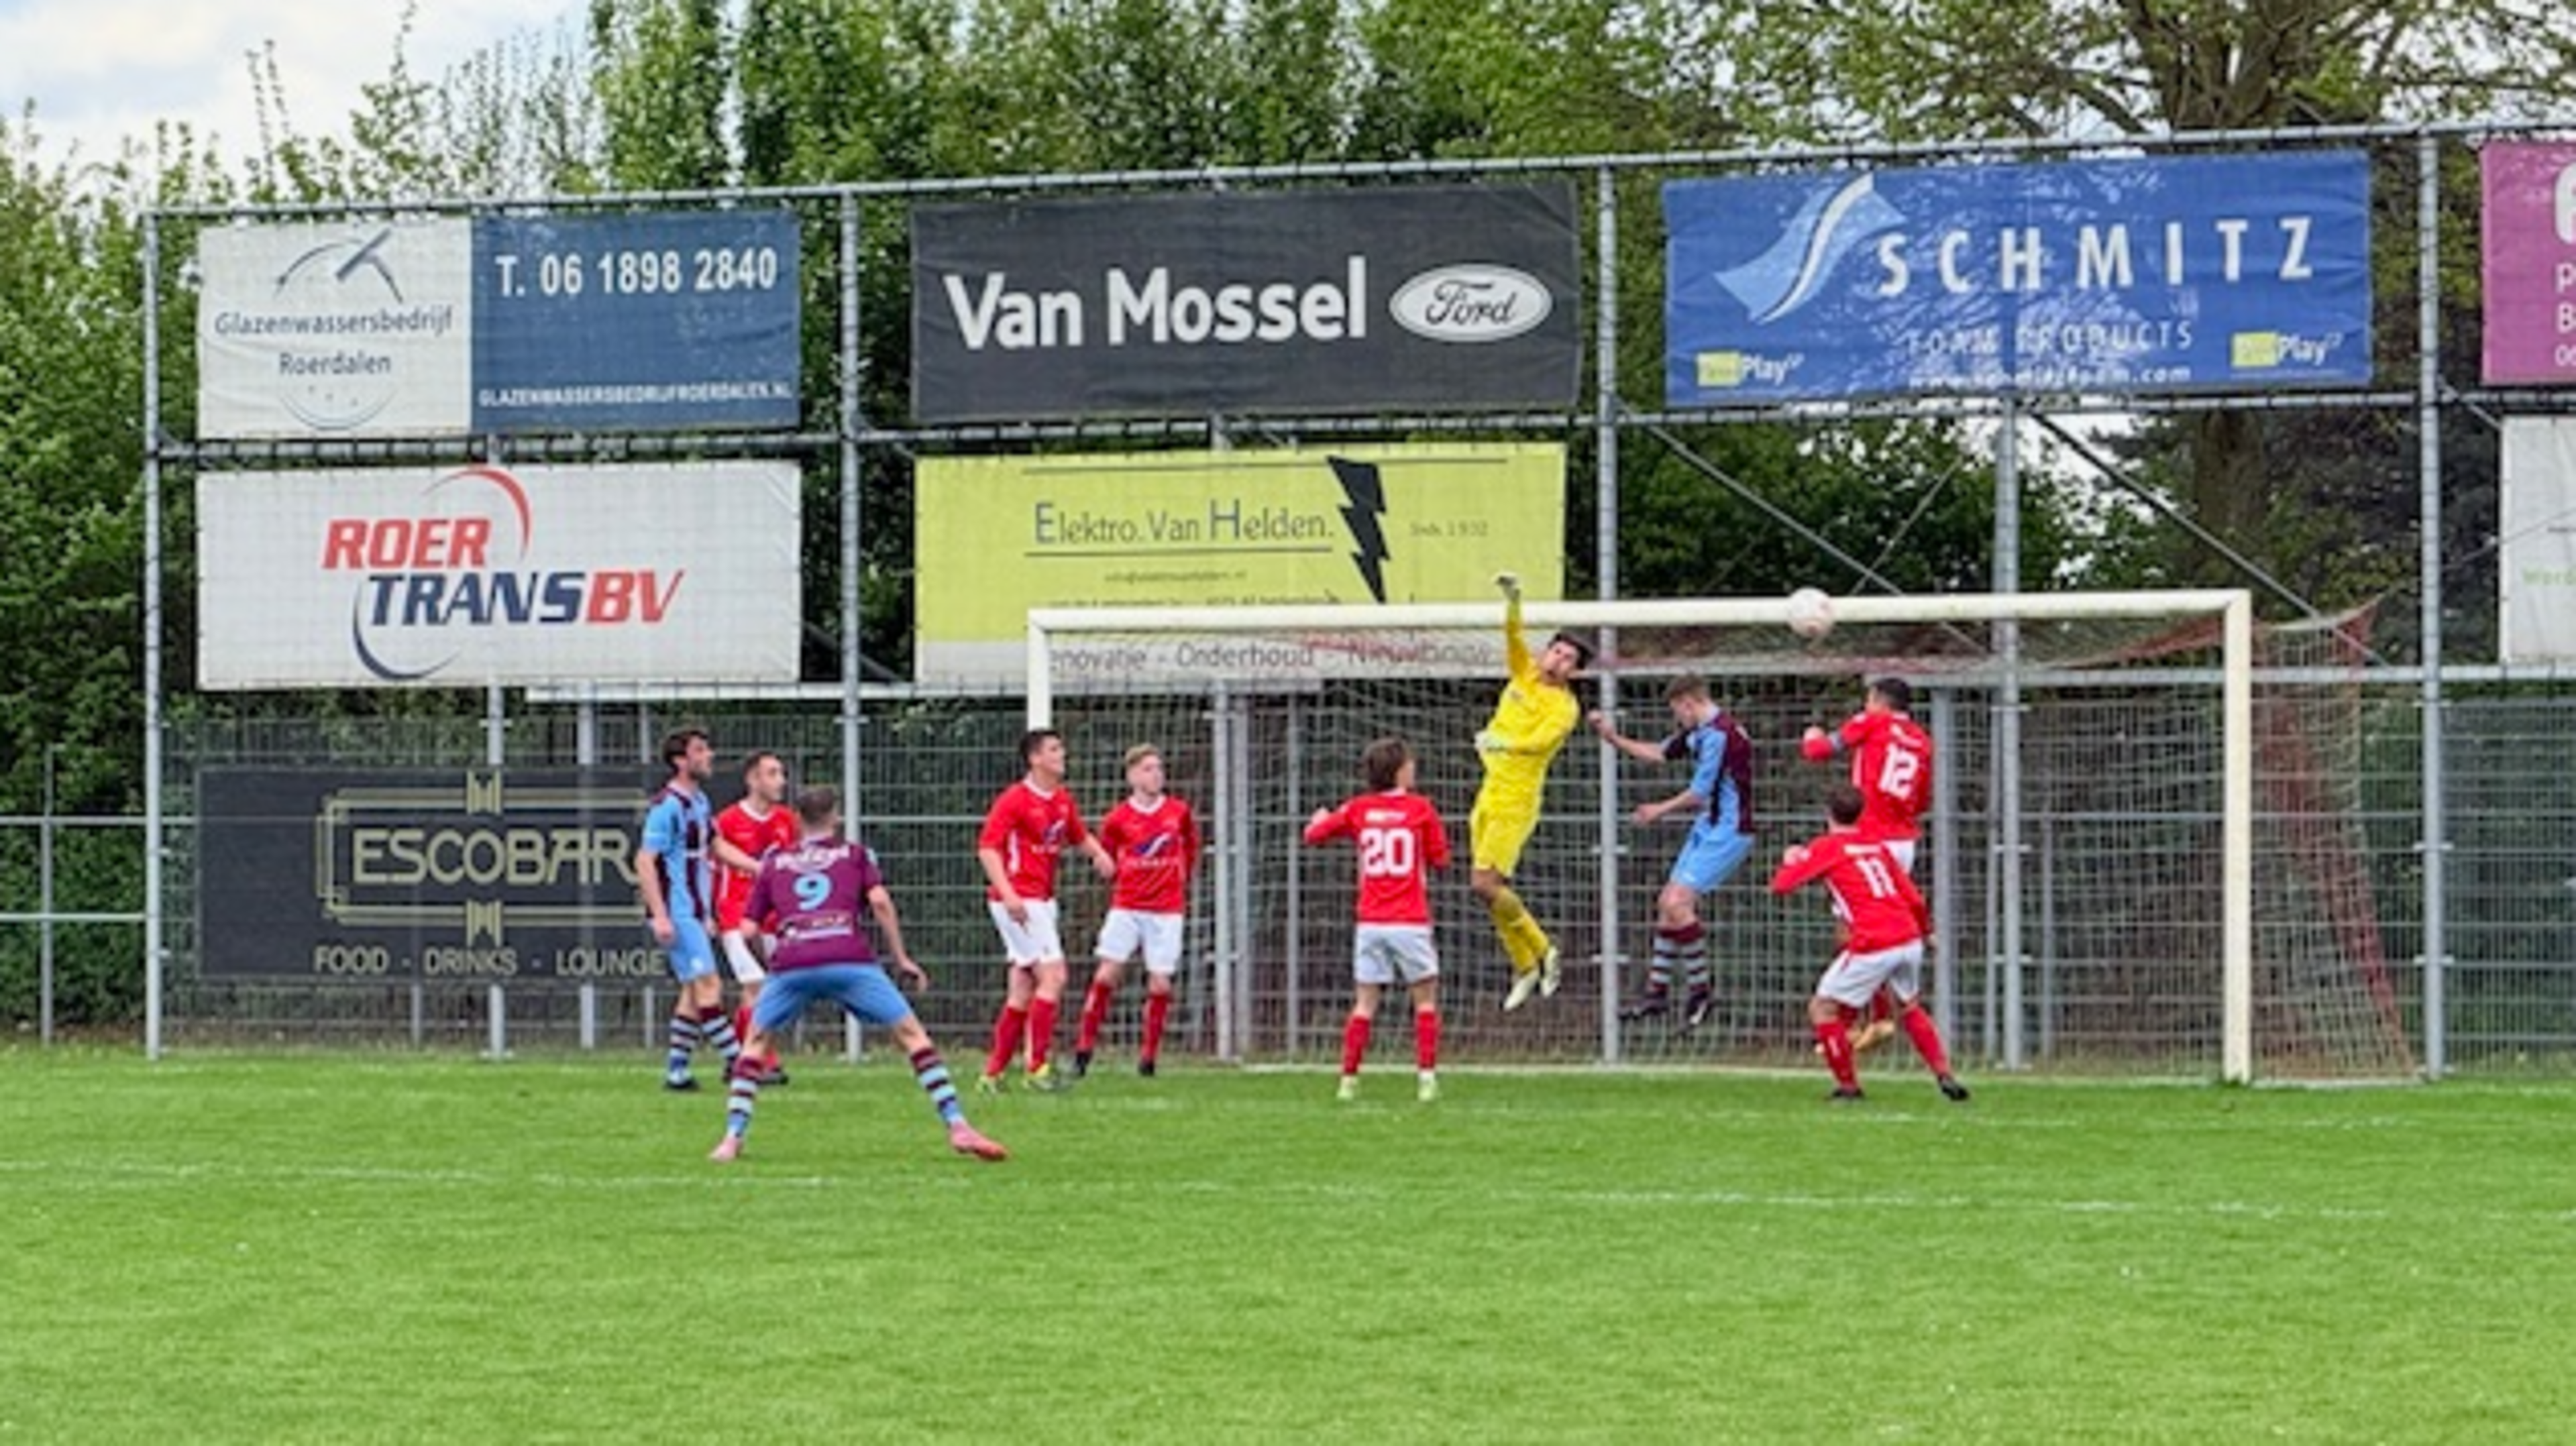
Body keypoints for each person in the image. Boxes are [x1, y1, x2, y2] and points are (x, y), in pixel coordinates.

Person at [710, 785, 1008, 1163]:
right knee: (912, 1035)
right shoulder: (854, 854)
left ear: (797, 821)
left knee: (755, 1044)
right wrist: (900, 957)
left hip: (793, 960)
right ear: (835, 818)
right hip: (847, 957)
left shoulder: (774, 861)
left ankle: (732, 1138)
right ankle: (957, 1124)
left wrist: (772, 969)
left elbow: (749, 930)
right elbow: (880, 902)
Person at [1769, 783, 1970, 1104]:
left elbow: (1781, 886)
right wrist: (1927, 930)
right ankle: (1944, 1073)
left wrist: (1792, 859)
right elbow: (1914, 896)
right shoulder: (1876, 846)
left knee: (1822, 1009)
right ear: (1861, 814)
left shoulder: (1827, 847)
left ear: (1828, 814)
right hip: (1907, 937)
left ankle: (1848, 1088)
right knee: (1910, 1006)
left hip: (1875, 941)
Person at [1589, 677, 1756, 1034]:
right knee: (1667, 904)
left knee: (1679, 904)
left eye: (1677, 711)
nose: (1677, 719)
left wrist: (1657, 810)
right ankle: (1657, 993)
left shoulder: (1722, 735)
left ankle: (1701, 991)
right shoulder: (1700, 730)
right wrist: (1612, 737)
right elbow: (1660, 752)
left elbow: (1699, 792)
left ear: (1689, 702)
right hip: (1708, 828)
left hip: (1729, 830)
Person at [1303, 737, 1453, 1104]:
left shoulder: (1359, 809)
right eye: (1410, 763)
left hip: (1370, 922)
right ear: (1399, 770)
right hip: (1410, 920)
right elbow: (1441, 859)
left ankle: (1348, 1082)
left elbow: (1314, 835)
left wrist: (1319, 820)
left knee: (1365, 1003)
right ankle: (1426, 1079)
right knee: (1425, 1000)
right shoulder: (1420, 809)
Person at [1472, 571, 1592, 1011]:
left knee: (1484, 884)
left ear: (1574, 670)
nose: (1556, 660)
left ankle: (1543, 951)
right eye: (1555, 650)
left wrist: (1503, 742)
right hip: (1489, 790)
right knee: (1488, 888)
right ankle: (1524, 965)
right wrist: (1514, 599)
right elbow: (1512, 633)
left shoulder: (1564, 708)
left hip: (1515, 800)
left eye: (1567, 658)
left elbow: (1539, 742)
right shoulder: (1524, 672)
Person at [1800, 677, 1936, 1053]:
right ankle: (1871, 1017)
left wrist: (1811, 735)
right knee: (1879, 928)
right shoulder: (1923, 741)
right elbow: (1921, 798)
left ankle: (1864, 1019)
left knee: (1854, 933)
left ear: (1877, 700)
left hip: (1869, 840)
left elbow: (1820, 750)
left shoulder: (1872, 721)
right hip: (1903, 841)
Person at [975, 727, 1114, 1093]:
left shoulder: (1061, 800)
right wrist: (1008, 895)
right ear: (1035, 758)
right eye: (1054, 750)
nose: (1061, 755)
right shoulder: (1015, 799)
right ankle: (1036, 1068)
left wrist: (1099, 853)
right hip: (1020, 899)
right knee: (1054, 977)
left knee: (1022, 987)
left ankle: (992, 1074)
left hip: (1041, 900)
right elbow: (988, 849)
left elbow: (1077, 835)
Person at [637, 728, 759, 1092]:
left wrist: (757, 868)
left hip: (695, 911)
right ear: (680, 761)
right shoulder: (667, 807)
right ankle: (740, 1063)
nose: (710, 756)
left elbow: (715, 846)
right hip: (678, 911)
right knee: (710, 985)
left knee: (693, 992)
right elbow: (645, 861)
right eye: (701, 751)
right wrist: (660, 914)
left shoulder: (700, 802)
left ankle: (677, 1071)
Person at [1075, 744, 1201, 1080]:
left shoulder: (1178, 811)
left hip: (1167, 910)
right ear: (1131, 775)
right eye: (1147, 769)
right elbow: (1109, 854)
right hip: (1128, 906)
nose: (1156, 774)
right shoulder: (1118, 818)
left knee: (1160, 986)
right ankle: (1084, 1050)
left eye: (1159, 768)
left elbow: (1191, 845)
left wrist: (1181, 875)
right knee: (1106, 976)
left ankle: (1148, 1058)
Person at [712, 750, 798, 1085]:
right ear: (753, 779)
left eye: (781, 773)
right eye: (773, 773)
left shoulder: (786, 820)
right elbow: (717, 849)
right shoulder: (729, 819)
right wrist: (757, 868)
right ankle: (763, 1061)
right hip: (735, 913)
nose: (781, 781)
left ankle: (737, 1056)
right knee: (756, 986)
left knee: (772, 987)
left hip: (773, 917)